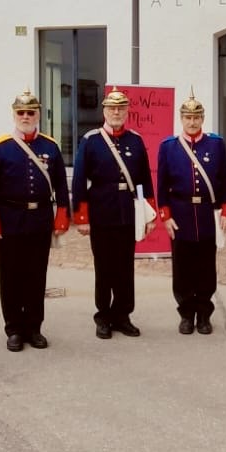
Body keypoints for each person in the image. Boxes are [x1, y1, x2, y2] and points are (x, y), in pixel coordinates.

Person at [0, 89, 70, 351]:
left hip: (40, 219)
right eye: (22, 112)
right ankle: (14, 329)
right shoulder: (0, 147)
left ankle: (34, 327)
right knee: (10, 276)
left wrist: (61, 217)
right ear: (14, 115)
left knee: (36, 276)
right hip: (9, 219)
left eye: (31, 112)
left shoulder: (49, 146)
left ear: (38, 115)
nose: (26, 116)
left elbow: (61, 187)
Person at [72, 87, 156, 339]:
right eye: (112, 108)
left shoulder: (135, 140)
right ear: (104, 111)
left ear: (127, 111)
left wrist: (148, 213)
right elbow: (79, 181)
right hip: (101, 213)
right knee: (104, 267)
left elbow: (143, 179)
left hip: (126, 213)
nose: (116, 112)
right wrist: (82, 218)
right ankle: (103, 317)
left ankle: (123, 315)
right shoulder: (91, 141)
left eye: (121, 108)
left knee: (124, 267)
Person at [157, 90, 226, 334]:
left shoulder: (216, 144)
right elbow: (162, 185)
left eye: (196, 117)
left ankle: (204, 314)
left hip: (207, 214)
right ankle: (186, 314)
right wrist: (165, 216)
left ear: (202, 119)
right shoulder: (169, 147)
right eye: (188, 117)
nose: (192, 122)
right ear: (181, 118)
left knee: (206, 268)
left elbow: (224, 180)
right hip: (180, 213)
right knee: (182, 268)